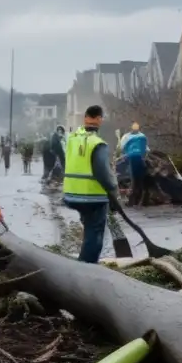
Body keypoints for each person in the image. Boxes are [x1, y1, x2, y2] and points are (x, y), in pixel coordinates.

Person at [63, 105, 119, 264]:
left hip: (72, 194)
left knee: (89, 229)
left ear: (85, 118)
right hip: (92, 196)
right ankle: (87, 268)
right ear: (100, 119)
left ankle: (83, 262)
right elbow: (104, 174)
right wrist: (113, 189)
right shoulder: (97, 143)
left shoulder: (72, 138)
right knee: (95, 233)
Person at [121, 122, 150, 207]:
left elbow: (121, 147)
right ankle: (140, 200)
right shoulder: (142, 136)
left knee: (133, 180)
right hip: (140, 159)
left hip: (130, 159)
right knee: (139, 181)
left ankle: (132, 201)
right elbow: (147, 149)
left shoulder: (126, 137)